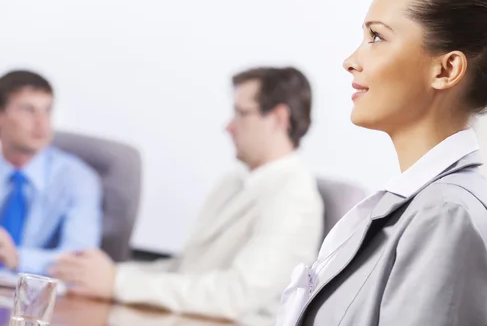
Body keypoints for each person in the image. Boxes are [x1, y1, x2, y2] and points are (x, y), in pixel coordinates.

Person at [276, 0, 487, 326]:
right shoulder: (424, 209)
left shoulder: (445, 218)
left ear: (446, 70)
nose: (351, 61)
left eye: (376, 37)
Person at [50, 66, 324, 326]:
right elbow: (186, 270)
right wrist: (106, 275)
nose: (229, 126)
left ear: (279, 118)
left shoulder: (294, 198)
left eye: (241, 113)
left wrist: (118, 282)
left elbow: (236, 295)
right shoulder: (232, 182)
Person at [0, 70, 102, 275]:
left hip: (33, 296)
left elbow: (80, 260)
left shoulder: (77, 178)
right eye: (28, 110)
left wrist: (17, 258)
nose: (42, 123)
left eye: (47, 110)